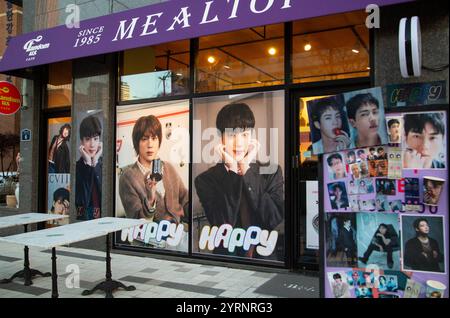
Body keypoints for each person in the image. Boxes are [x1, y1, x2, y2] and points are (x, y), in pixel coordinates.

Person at [195, 103, 284, 259]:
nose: (239, 143)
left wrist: (246, 170)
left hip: (265, 258)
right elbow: (222, 224)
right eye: (231, 135)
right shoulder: (205, 180)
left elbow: (273, 219)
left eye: (244, 134)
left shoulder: (271, 172)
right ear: (220, 137)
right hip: (227, 260)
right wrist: (234, 171)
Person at [119, 115, 189, 225]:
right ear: (137, 143)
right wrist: (150, 199)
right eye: (144, 139)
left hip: (179, 232)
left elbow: (185, 198)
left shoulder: (168, 168)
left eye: (154, 138)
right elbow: (137, 221)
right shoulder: (128, 177)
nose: (150, 144)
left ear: (159, 141)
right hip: (151, 237)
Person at [75, 116, 103, 220]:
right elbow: (82, 201)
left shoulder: (103, 164)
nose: (92, 144)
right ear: (81, 142)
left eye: (96, 139)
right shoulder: (77, 168)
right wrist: (88, 164)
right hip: (85, 220)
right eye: (87, 139)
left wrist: (95, 162)